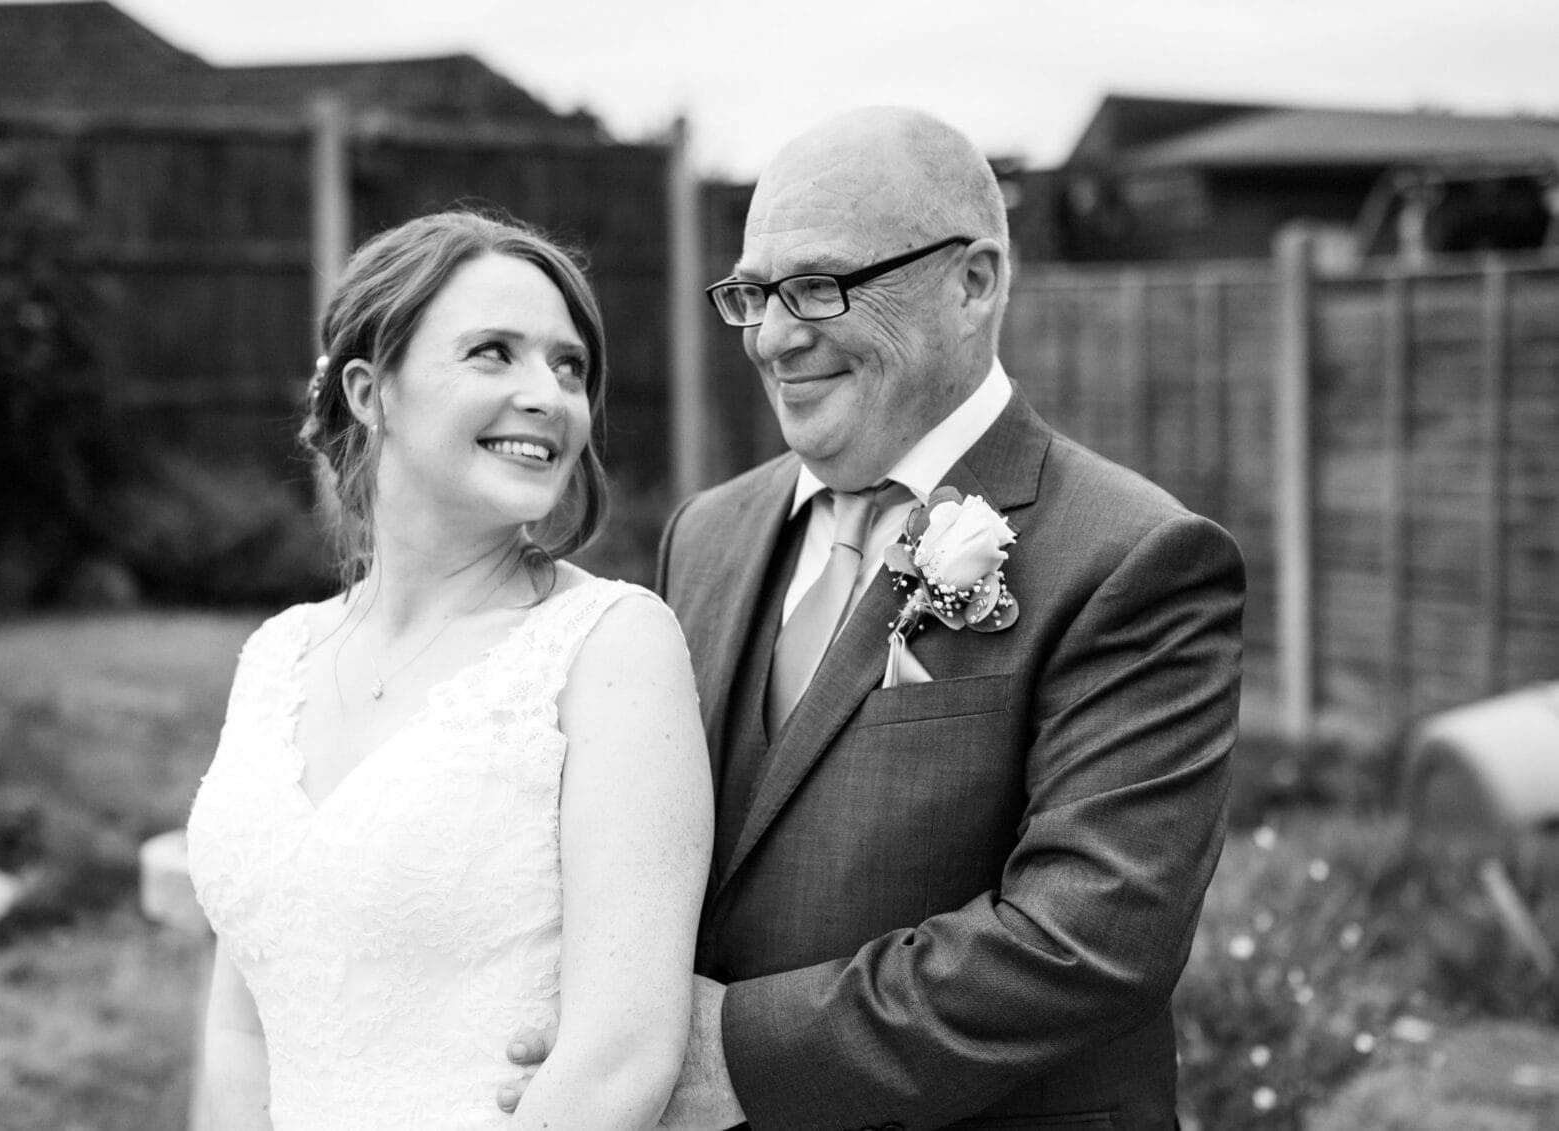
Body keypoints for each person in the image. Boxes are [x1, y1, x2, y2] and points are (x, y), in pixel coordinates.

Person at [504, 107, 1245, 1129]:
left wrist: (739, 1051)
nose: (771, 335)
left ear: (973, 283)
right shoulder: (706, 534)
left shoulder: (1135, 556)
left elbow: (1085, 942)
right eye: (751, 293)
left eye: (817, 286)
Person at [185, 210, 712, 1129]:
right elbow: (242, 1025)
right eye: (493, 353)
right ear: (369, 389)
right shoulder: (278, 656)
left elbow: (621, 1056)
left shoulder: (611, 647)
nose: (548, 393)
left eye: (569, 365)